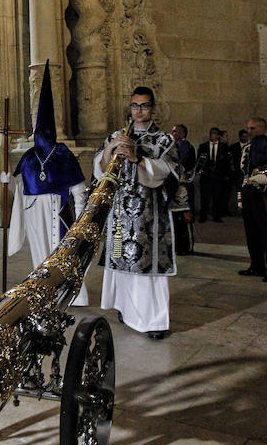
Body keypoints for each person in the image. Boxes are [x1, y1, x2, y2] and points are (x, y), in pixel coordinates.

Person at [94, 86, 179, 340]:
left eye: (144, 106)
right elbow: (99, 170)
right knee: (120, 259)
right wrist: (110, 149)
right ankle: (125, 309)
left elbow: (169, 172)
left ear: (152, 108)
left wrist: (136, 158)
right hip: (120, 214)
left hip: (148, 217)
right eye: (134, 105)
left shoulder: (163, 139)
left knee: (145, 266)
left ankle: (154, 321)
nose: (139, 111)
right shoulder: (117, 135)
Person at [7, 59, 89, 306]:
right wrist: (7, 181)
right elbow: (19, 187)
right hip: (34, 212)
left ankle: (73, 295)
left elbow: (77, 187)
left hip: (58, 209)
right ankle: (44, 291)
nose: (42, 136)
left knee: (62, 253)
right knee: (40, 254)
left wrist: (82, 213)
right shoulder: (29, 156)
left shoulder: (63, 153)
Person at [239, 116, 267, 279]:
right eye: (248, 128)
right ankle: (256, 265)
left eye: (253, 129)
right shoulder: (248, 147)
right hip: (249, 192)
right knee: (251, 231)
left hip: (262, 192)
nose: (249, 132)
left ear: (262, 129)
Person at [170, 124, 195, 256]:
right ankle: (178, 246)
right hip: (175, 189)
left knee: (184, 219)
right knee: (175, 220)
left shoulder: (184, 146)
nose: (173, 133)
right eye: (172, 131)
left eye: (176, 131)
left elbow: (181, 165)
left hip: (182, 189)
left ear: (183, 134)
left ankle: (186, 246)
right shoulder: (173, 145)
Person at [197, 126, 229, 222]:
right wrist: (199, 173)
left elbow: (226, 162)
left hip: (218, 176)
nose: (212, 135)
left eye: (214, 133)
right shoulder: (203, 146)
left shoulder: (223, 147)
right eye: (211, 133)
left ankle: (216, 215)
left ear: (218, 136)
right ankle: (203, 215)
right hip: (206, 175)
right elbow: (199, 161)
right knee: (204, 197)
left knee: (217, 197)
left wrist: (225, 174)